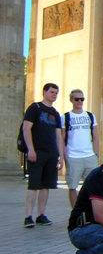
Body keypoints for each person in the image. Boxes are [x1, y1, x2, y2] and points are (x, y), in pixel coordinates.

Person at [21, 83, 65, 228]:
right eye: (52, 92)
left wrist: (60, 156)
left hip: (51, 153)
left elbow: (58, 136)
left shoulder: (55, 113)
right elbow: (26, 128)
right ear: (44, 92)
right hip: (37, 152)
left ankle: (41, 215)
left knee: (46, 186)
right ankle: (28, 216)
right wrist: (30, 150)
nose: (54, 95)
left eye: (56, 93)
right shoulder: (35, 108)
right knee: (33, 185)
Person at [61, 89, 99, 208]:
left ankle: (90, 210)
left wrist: (95, 154)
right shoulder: (65, 117)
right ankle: (75, 212)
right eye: (77, 99)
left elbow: (96, 136)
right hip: (73, 156)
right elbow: (61, 138)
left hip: (89, 156)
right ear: (71, 100)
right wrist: (64, 156)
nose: (79, 101)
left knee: (93, 185)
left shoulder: (90, 116)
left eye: (81, 99)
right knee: (72, 186)